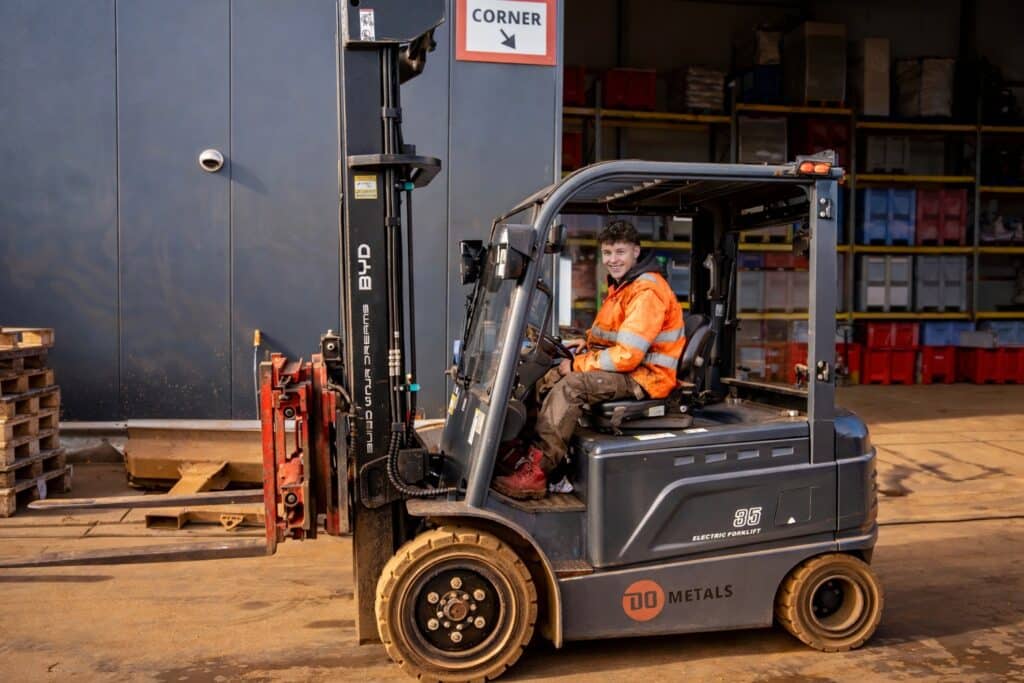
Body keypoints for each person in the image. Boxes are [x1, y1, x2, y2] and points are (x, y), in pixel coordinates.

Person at [493, 220, 686, 499]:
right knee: (544, 374)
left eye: (620, 252)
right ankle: (531, 456)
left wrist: (576, 364)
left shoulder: (647, 291)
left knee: (570, 386)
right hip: (631, 369)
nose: (612, 260)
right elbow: (614, 335)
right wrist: (585, 344)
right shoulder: (623, 286)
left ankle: (538, 472)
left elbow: (627, 355)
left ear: (635, 251)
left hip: (645, 377)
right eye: (607, 253)